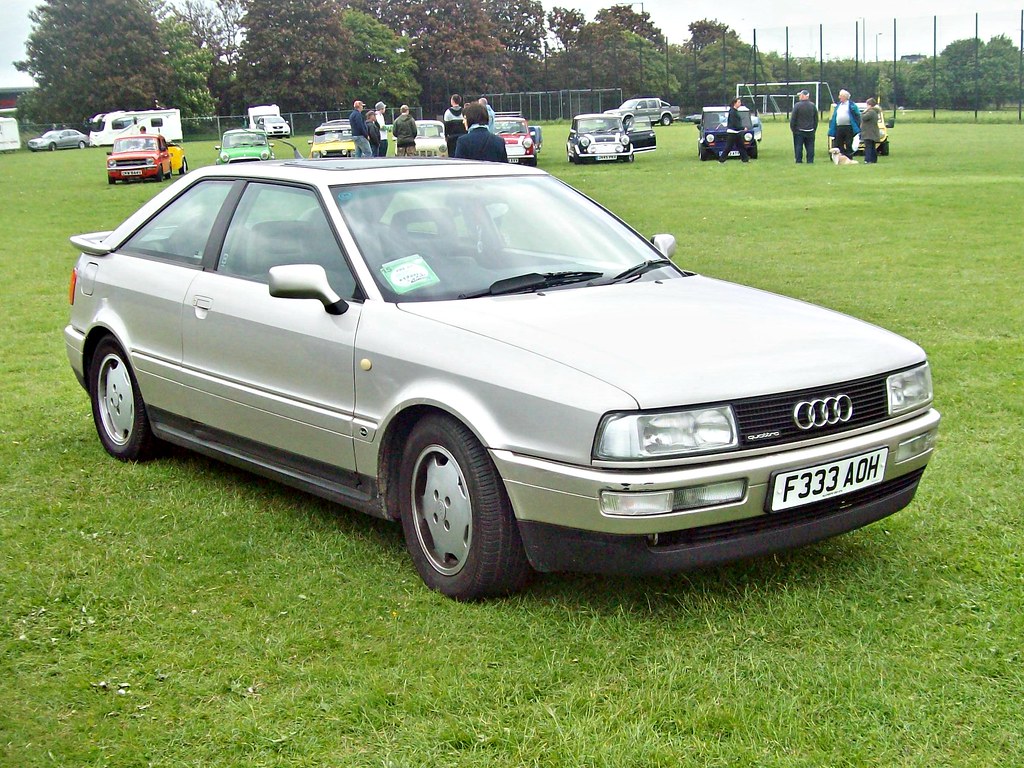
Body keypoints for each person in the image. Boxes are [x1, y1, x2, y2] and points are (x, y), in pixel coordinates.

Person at [828, 89, 861, 159]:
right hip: (839, 127)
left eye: (840, 96)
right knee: (838, 143)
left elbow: (858, 115)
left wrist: (857, 125)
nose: (839, 97)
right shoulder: (838, 105)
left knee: (849, 143)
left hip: (848, 127)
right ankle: (841, 157)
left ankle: (849, 157)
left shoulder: (852, 105)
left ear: (845, 97)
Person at [790, 89, 818, 163]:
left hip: (799, 131)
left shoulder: (797, 105)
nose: (799, 97)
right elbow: (816, 119)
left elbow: (793, 119)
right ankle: (810, 160)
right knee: (810, 147)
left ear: (803, 96)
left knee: (798, 146)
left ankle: (799, 160)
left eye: (800, 95)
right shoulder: (813, 105)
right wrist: (814, 129)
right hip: (810, 130)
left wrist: (793, 129)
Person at [719, 97, 749, 163]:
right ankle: (721, 160)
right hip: (732, 133)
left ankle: (745, 160)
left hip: (737, 132)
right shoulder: (732, 112)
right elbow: (734, 124)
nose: (740, 103)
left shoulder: (735, 111)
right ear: (734, 103)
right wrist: (743, 128)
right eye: (738, 102)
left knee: (741, 146)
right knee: (728, 147)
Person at [859, 98, 882, 164]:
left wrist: (863, 112)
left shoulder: (871, 112)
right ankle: (873, 160)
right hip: (872, 132)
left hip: (868, 132)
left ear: (870, 105)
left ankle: (868, 160)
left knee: (868, 147)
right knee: (872, 146)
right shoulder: (874, 111)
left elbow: (864, 117)